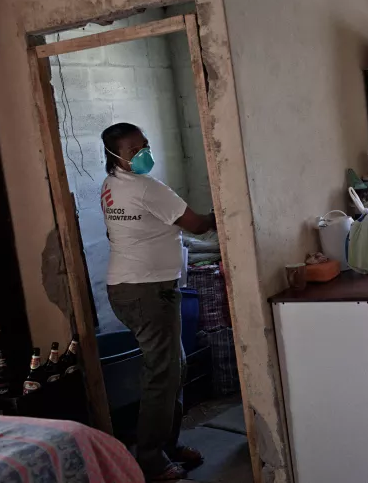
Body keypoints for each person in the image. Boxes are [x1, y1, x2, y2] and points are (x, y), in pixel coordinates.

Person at [100, 122, 216, 481]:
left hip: (131, 288)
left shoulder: (110, 187)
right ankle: (150, 457)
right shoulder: (149, 188)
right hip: (147, 291)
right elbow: (196, 225)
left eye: (145, 145)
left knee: (172, 369)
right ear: (116, 156)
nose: (144, 153)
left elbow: (112, 231)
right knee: (163, 374)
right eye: (134, 150)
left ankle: (167, 445)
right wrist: (230, 212)